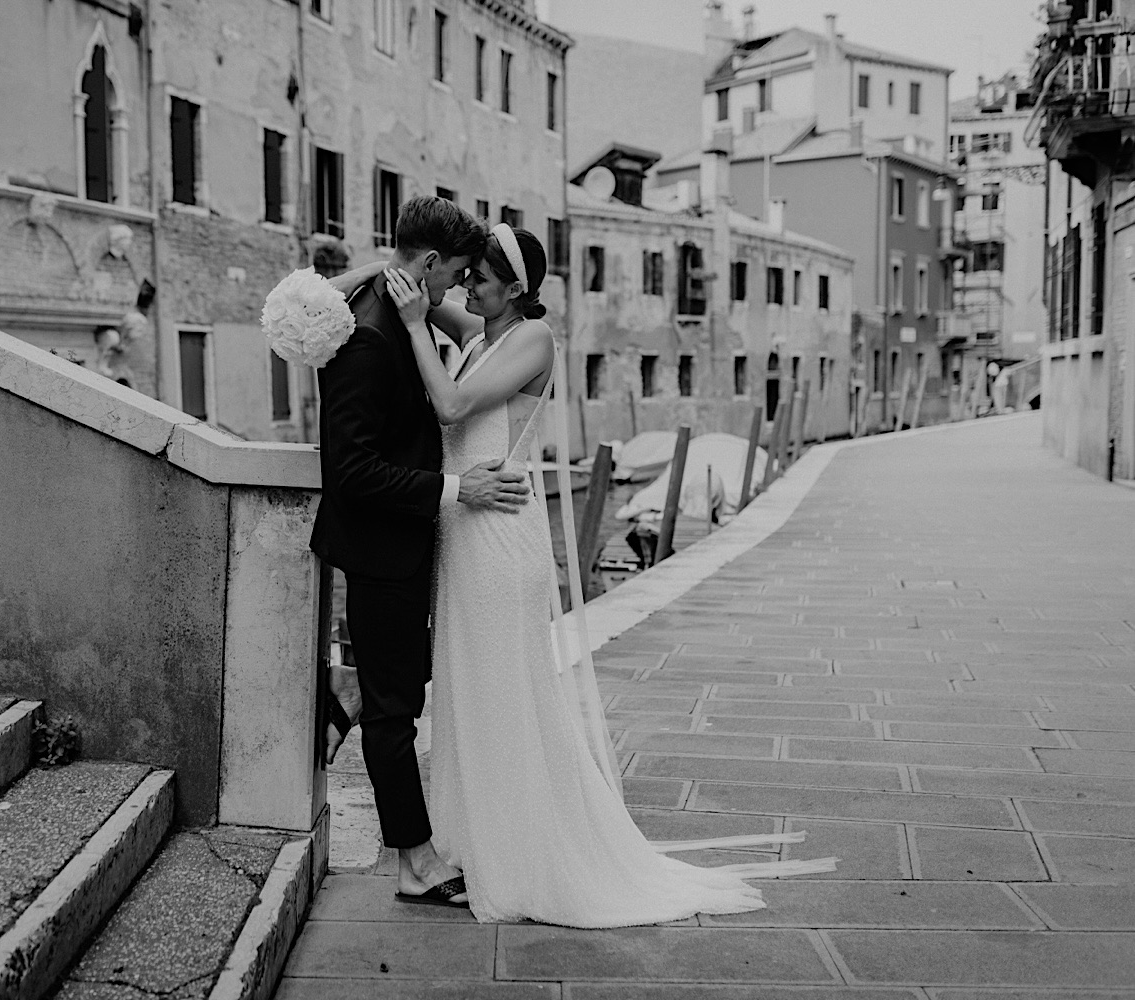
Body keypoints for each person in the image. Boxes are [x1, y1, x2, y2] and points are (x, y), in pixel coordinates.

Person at [376, 222, 834, 925]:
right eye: (465, 278)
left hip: (499, 538)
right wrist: (340, 284)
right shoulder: (480, 328)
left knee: (507, 692)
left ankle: (527, 852)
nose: (466, 285)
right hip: (464, 535)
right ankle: (478, 839)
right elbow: (409, 282)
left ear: (516, 287)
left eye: (482, 279)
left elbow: (453, 406)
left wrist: (412, 328)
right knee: (470, 691)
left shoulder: (532, 339)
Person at [310, 197, 532, 907]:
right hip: (384, 547)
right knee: (395, 710)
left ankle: (348, 695)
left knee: (399, 689)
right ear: (431, 263)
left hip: (408, 545)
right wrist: (453, 490)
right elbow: (349, 473)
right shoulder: (371, 334)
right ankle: (415, 862)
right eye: (457, 272)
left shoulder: (390, 307)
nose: (459, 288)